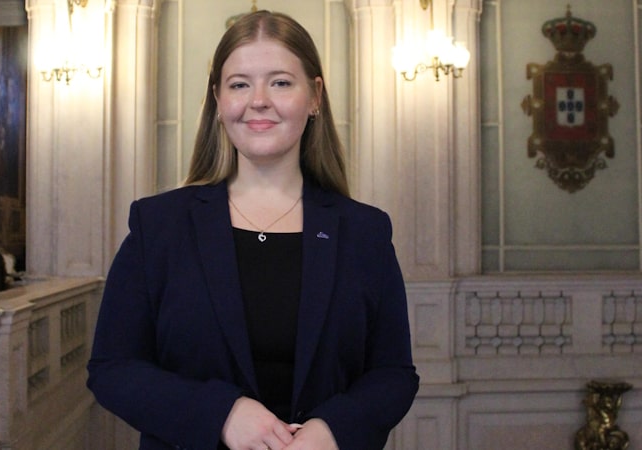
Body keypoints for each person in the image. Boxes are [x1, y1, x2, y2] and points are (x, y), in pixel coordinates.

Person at [87, 10, 419, 450]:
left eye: (280, 82)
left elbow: (393, 374)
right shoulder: (158, 226)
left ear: (315, 96)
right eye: (240, 84)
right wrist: (221, 415)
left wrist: (333, 430)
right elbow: (112, 368)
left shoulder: (365, 232)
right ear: (218, 100)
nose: (258, 100)